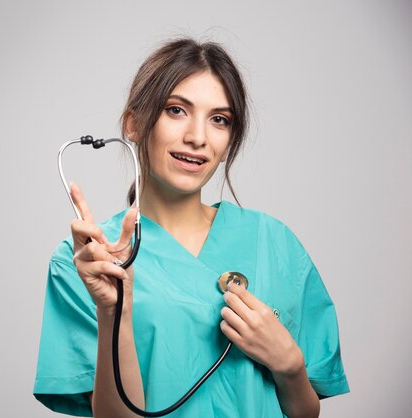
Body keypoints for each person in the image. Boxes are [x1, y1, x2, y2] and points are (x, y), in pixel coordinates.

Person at [33, 38, 349, 418]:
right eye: (176, 110)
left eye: (219, 119)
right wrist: (114, 312)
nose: (198, 137)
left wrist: (290, 367)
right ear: (133, 123)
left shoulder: (273, 242)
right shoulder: (86, 262)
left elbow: (305, 413)